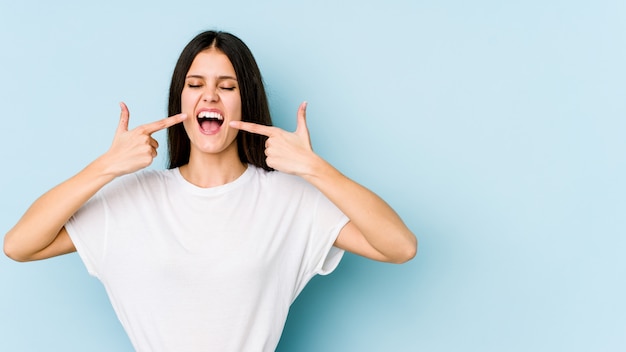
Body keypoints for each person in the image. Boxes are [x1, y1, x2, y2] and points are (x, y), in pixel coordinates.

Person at [4, 30, 417, 351]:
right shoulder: (133, 199)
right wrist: (106, 166)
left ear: (245, 101)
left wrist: (314, 168)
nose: (210, 95)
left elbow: (400, 246)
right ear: (180, 100)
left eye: (228, 86)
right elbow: (19, 245)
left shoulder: (289, 199)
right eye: (195, 83)